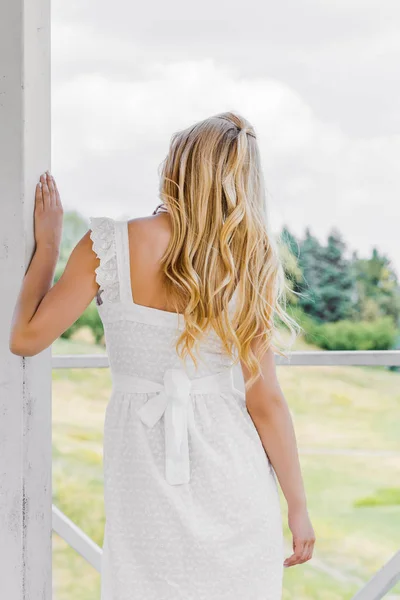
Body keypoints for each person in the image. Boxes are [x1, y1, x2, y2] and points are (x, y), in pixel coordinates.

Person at [9, 111, 315, 599]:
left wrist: (47, 246)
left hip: (142, 473)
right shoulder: (247, 261)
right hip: (235, 480)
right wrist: (297, 506)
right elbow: (266, 403)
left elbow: (25, 338)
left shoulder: (106, 245)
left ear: (177, 166)